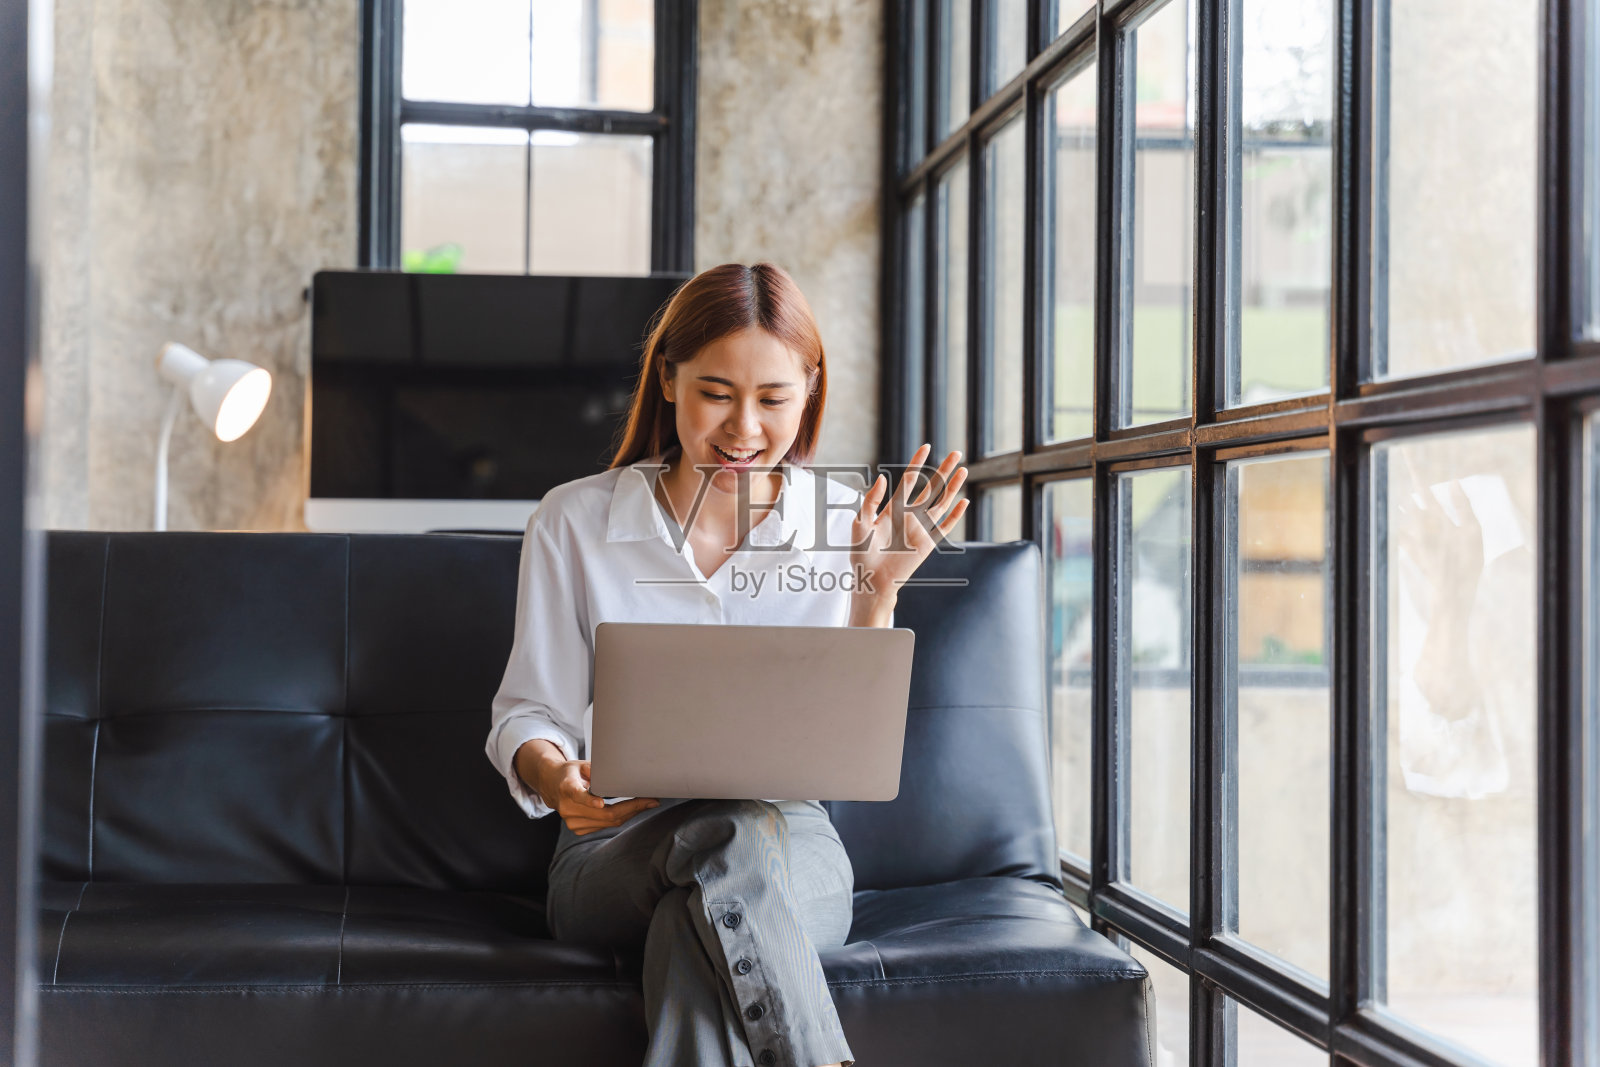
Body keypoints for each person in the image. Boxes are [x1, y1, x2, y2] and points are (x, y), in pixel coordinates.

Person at [485, 262, 968, 1067]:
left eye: (773, 399)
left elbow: (854, 741)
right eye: (716, 393)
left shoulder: (849, 524)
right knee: (725, 832)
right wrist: (553, 777)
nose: (744, 428)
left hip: (794, 843)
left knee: (705, 905)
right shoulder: (575, 518)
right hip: (614, 849)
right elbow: (529, 710)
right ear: (668, 379)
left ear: (809, 390)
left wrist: (874, 589)